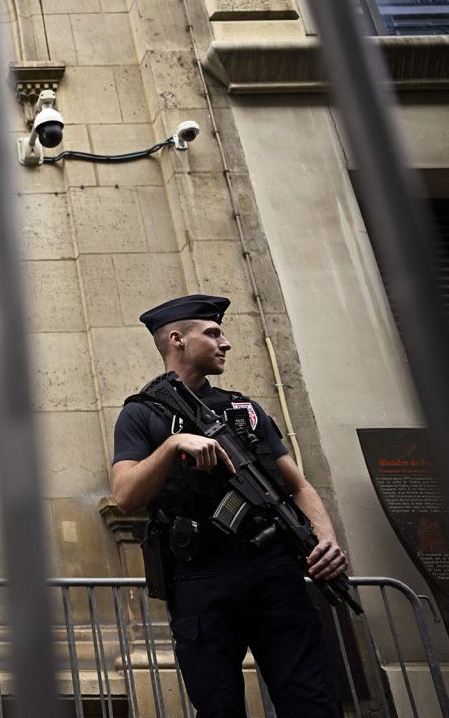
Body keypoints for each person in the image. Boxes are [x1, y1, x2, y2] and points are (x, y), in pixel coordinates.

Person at [111, 294, 348, 718]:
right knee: (218, 705)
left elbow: (297, 485)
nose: (226, 343)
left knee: (312, 701)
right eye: (214, 333)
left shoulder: (246, 410)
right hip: (202, 576)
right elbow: (126, 495)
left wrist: (325, 540)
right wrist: (171, 446)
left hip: (274, 570)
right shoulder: (142, 414)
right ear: (178, 339)